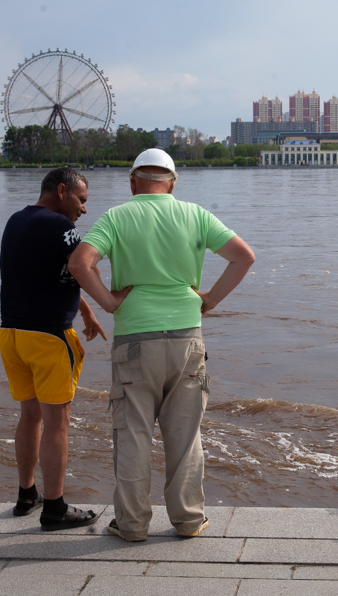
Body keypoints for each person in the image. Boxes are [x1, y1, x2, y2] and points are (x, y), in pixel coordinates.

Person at [70, 149, 255, 541]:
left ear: (133, 182)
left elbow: (79, 263)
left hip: (135, 339)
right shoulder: (195, 214)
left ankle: (133, 525)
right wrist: (209, 300)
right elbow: (243, 257)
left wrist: (108, 302)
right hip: (188, 337)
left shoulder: (118, 216)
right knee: (186, 437)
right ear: (172, 183)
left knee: (133, 434)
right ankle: (189, 521)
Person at [0, 166, 105, 530]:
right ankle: (55, 507)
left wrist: (87, 314)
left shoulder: (17, 220)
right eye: (81, 199)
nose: (84, 209)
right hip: (48, 338)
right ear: (62, 191)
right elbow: (82, 265)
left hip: (12, 334)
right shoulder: (59, 227)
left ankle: (27, 495)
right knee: (57, 423)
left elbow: (57, 274)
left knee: (29, 416)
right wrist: (108, 301)